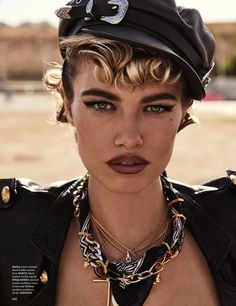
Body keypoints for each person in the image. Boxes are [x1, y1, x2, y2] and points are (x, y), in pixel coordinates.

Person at [0, 0, 236, 305]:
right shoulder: (8, 238)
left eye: (155, 107)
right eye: (101, 104)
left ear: (183, 112)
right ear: (67, 102)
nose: (129, 138)